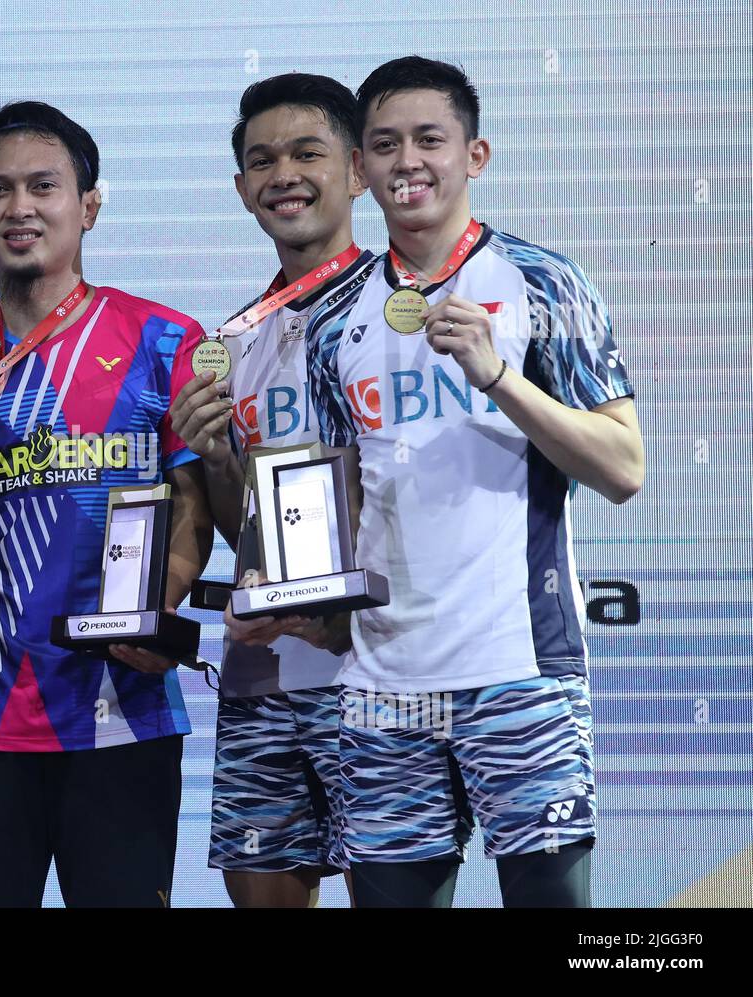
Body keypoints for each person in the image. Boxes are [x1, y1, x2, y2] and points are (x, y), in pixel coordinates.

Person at [307, 55, 644, 907]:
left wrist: (499, 376)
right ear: (360, 168)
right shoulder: (332, 321)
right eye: (385, 144)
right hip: (383, 683)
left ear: (475, 155)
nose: (407, 161)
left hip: (519, 667)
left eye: (431, 139)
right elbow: (335, 500)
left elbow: (623, 467)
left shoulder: (544, 282)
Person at [0, 100, 213, 907]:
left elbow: (195, 499)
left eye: (43, 186)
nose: (20, 208)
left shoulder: (163, 340)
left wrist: (159, 606)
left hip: (122, 710)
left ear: (89, 203)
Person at [169, 73, 376, 908]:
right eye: (262, 160)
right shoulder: (230, 343)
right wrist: (214, 458)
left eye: (306, 152)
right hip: (266, 676)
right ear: (241, 187)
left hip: (381, 671)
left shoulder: (411, 315)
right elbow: (239, 527)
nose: (282, 173)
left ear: (357, 169)